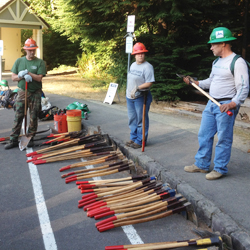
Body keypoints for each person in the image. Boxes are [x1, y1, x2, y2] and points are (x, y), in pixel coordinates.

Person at [183, 27, 249, 180]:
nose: (211, 47)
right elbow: (211, 81)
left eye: (213, 44)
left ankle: (220, 168)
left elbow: (244, 87)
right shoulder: (216, 62)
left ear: (223, 44)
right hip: (211, 103)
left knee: (224, 138)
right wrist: (196, 82)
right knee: (204, 134)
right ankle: (201, 164)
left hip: (226, 105)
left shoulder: (237, 62)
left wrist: (233, 104)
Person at [5, 38, 46, 149]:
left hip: (36, 93)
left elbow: (39, 78)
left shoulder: (40, 62)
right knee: (18, 115)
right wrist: (20, 76)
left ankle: (30, 137)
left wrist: (28, 73)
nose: (32, 52)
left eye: (33, 50)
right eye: (30, 50)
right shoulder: (19, 61)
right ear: (25, 49)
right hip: (22, 92)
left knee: (34, 116)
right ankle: (13, 139)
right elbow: (13, 78)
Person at [126, 42, 155, 149]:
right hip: (130, 97)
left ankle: (140, 140)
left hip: (141, 97)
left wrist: (138, 88)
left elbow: (150, 82)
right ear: (134, 55)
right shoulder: (133, 65)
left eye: (142, 53)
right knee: (132, 119)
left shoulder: (147, 67)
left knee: (141, 120)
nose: (140, 55)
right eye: (138, 53)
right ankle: (133, 138)